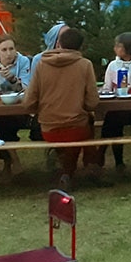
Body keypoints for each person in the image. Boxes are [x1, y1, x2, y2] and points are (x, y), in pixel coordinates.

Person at [23, 26, 101, 191]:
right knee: (86, 126)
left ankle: (68, 173)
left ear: (58, 43)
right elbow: (93, 102)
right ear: (80, 47)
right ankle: (84, 169)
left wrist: (43, 109)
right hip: (76, 127)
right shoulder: (85, 65)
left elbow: (29, 101)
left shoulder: (41, 65)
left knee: (78, 129)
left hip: (48, 128)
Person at [0, 35, 32, 176]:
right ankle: (12, 160)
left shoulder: (23, 61)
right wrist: (1, 78)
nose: (8, 53)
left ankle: (9, 162)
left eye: (11, 49)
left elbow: (26, 87)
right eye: (4, 49)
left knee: (4, 122)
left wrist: (12, 78)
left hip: (18, 105)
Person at [99, 31, 131, 172]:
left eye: (119, 46)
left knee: (114, 118)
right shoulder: (113, 65)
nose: (115, 48)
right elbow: (107, 88)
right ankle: (112, 160)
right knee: (111, 120)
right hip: (118, 107)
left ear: (129, 48)